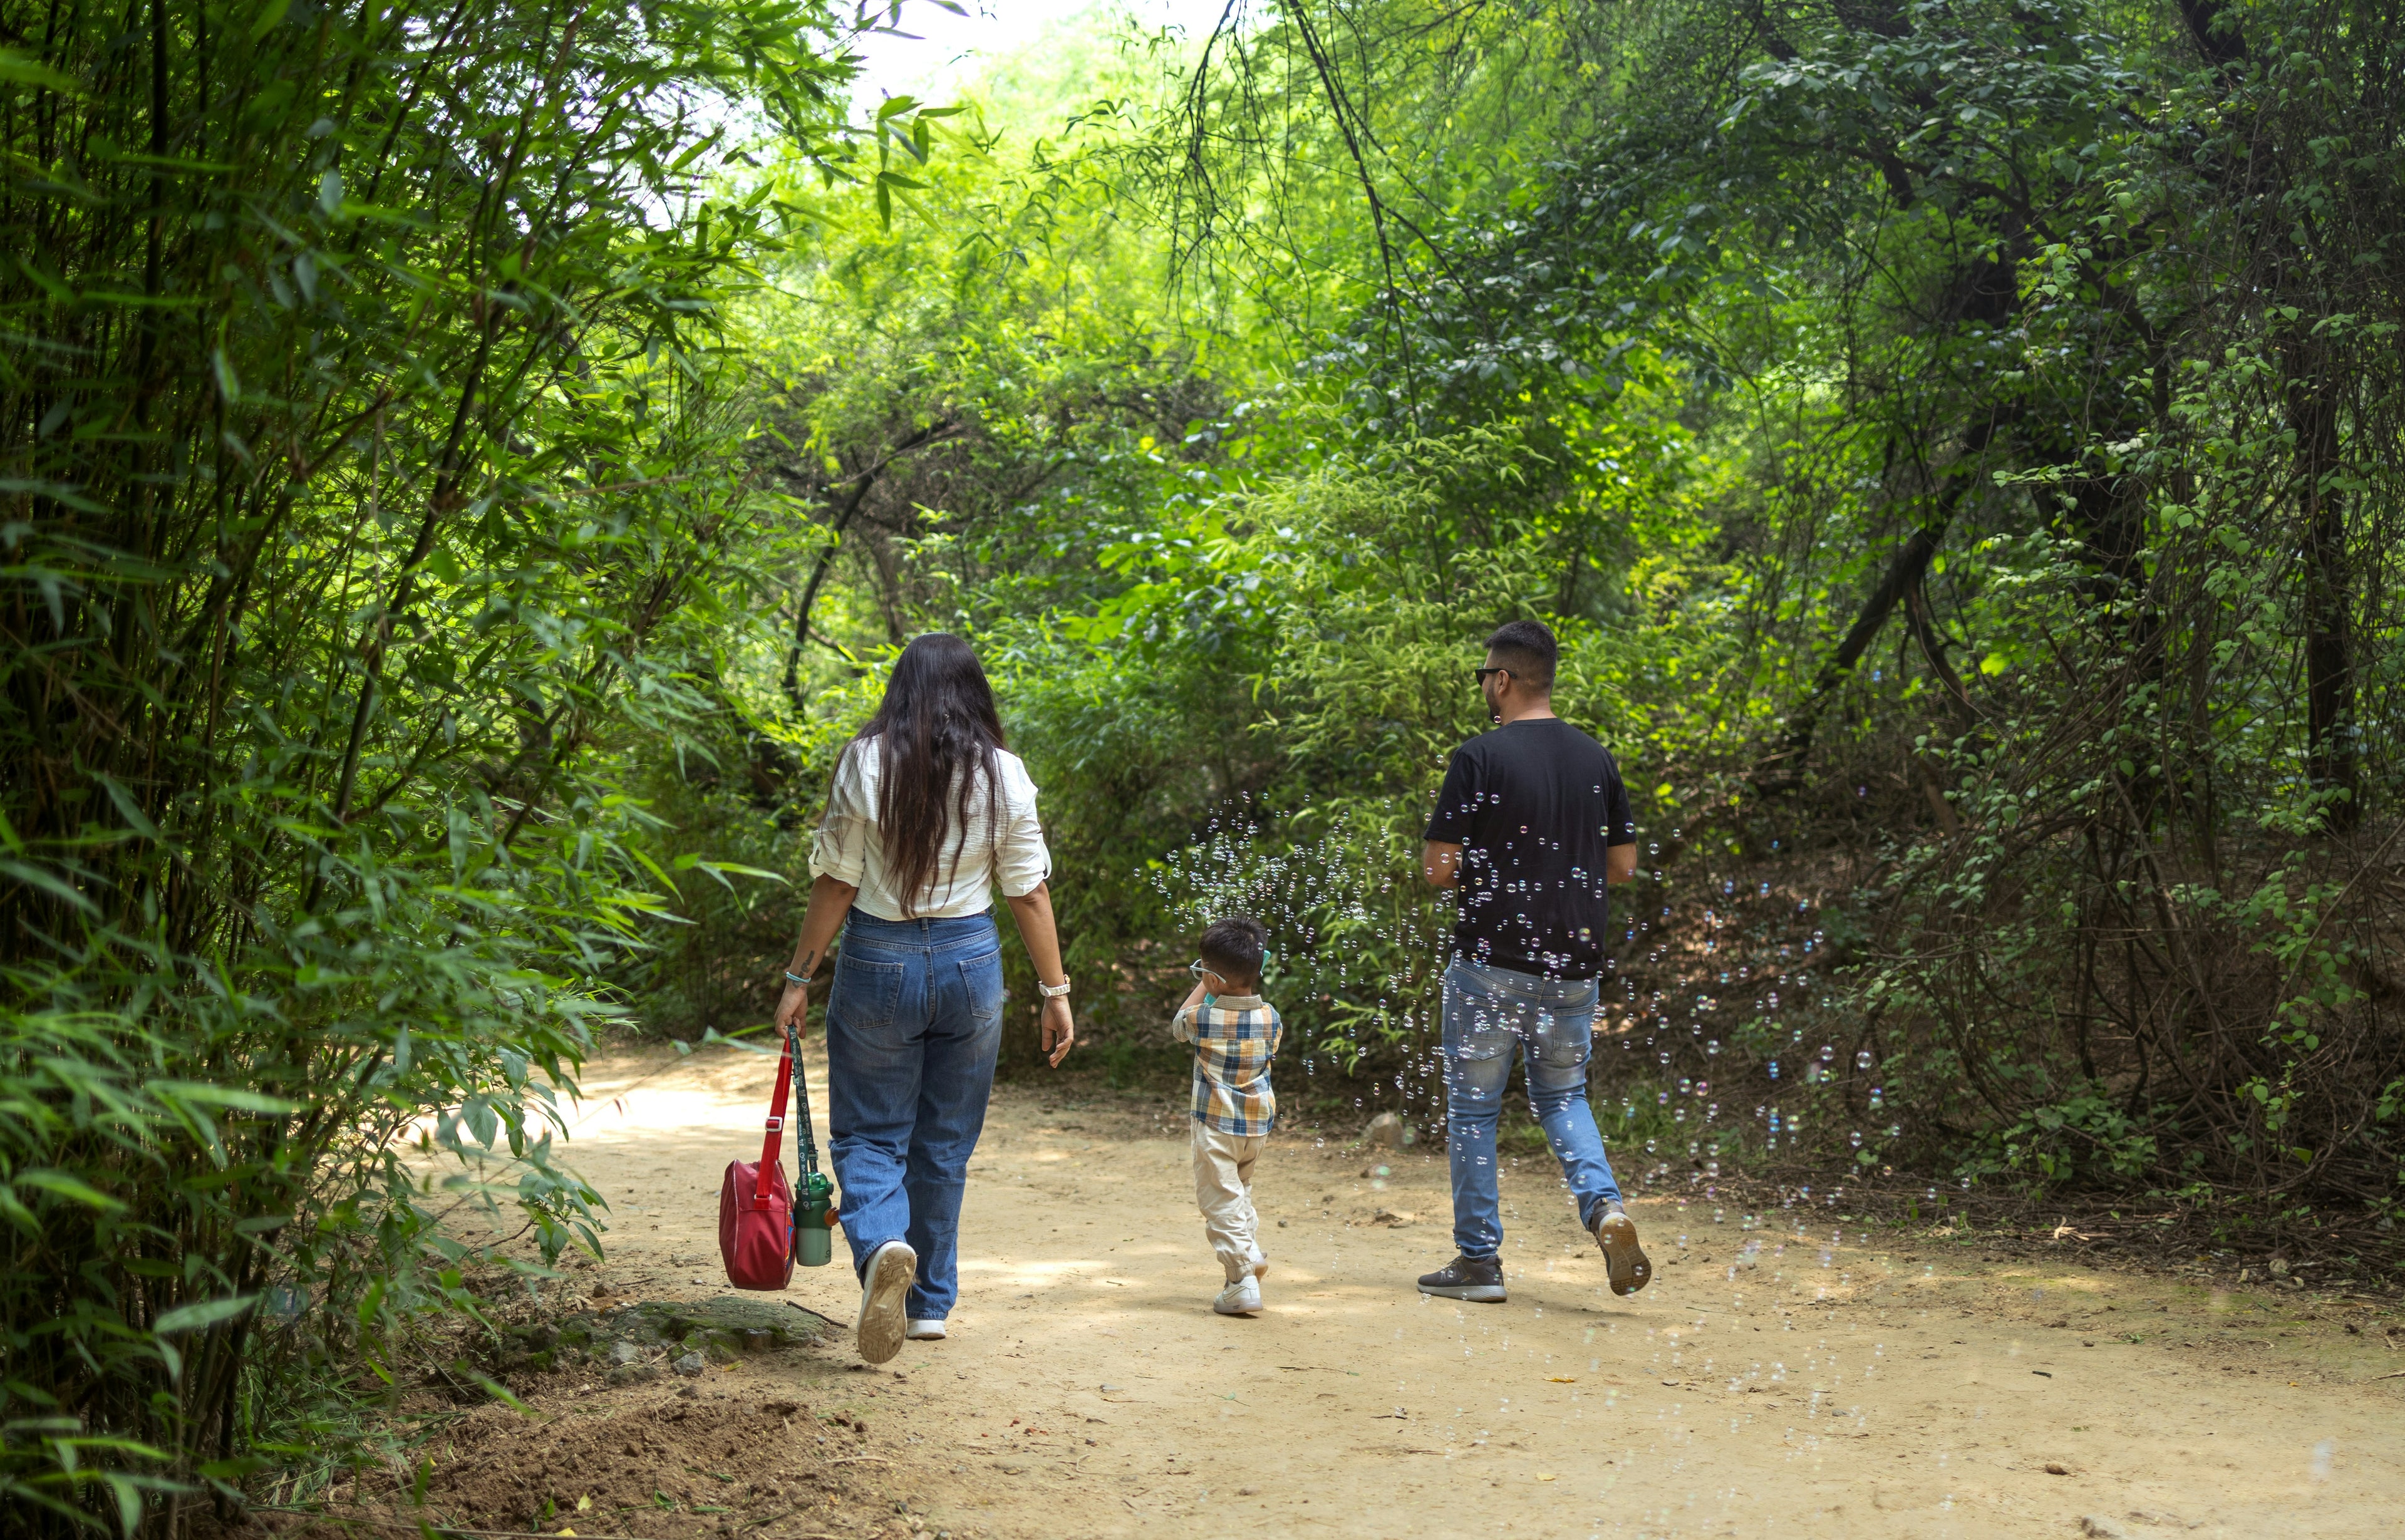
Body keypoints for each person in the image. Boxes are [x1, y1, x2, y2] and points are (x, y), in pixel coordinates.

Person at [772, 634, 1077, 1365]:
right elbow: (1027, 891)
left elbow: (839, 883)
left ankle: (882, 1249)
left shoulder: (866, 760)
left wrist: (798, 977)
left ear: (900, 689)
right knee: (944, 1142)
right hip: (972, 961)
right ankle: (932, 1302)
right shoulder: (1005, 772)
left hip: (880, 956)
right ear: (976, 692)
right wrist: (1056, 991)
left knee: (871, 1135)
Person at [1415, 619, 1650, 1304]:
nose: (1484, 686)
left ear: (1504, 679)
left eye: (1485, 675)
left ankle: (1480, 1262)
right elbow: (1625, 866)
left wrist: (1496, 867)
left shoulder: (1479, 757)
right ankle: (1606, 1209)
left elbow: (1438, 867)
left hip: (1490, 959)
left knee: (1473, 1109)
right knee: (1564, 1095)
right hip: (1574, 964)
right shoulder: (1595, 758)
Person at [1169, 916, 1284, 1317]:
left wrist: (1205, 981)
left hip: (1216, 1125)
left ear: (1212, 979)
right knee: (1238, 1189)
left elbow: (1178, 1025)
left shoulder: (1204, 1018)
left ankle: (1241, 1280)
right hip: (1256, 1126)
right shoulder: (1271, 1018)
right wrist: (1216, 976)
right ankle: (1249, 1250)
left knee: (1218, 1200)